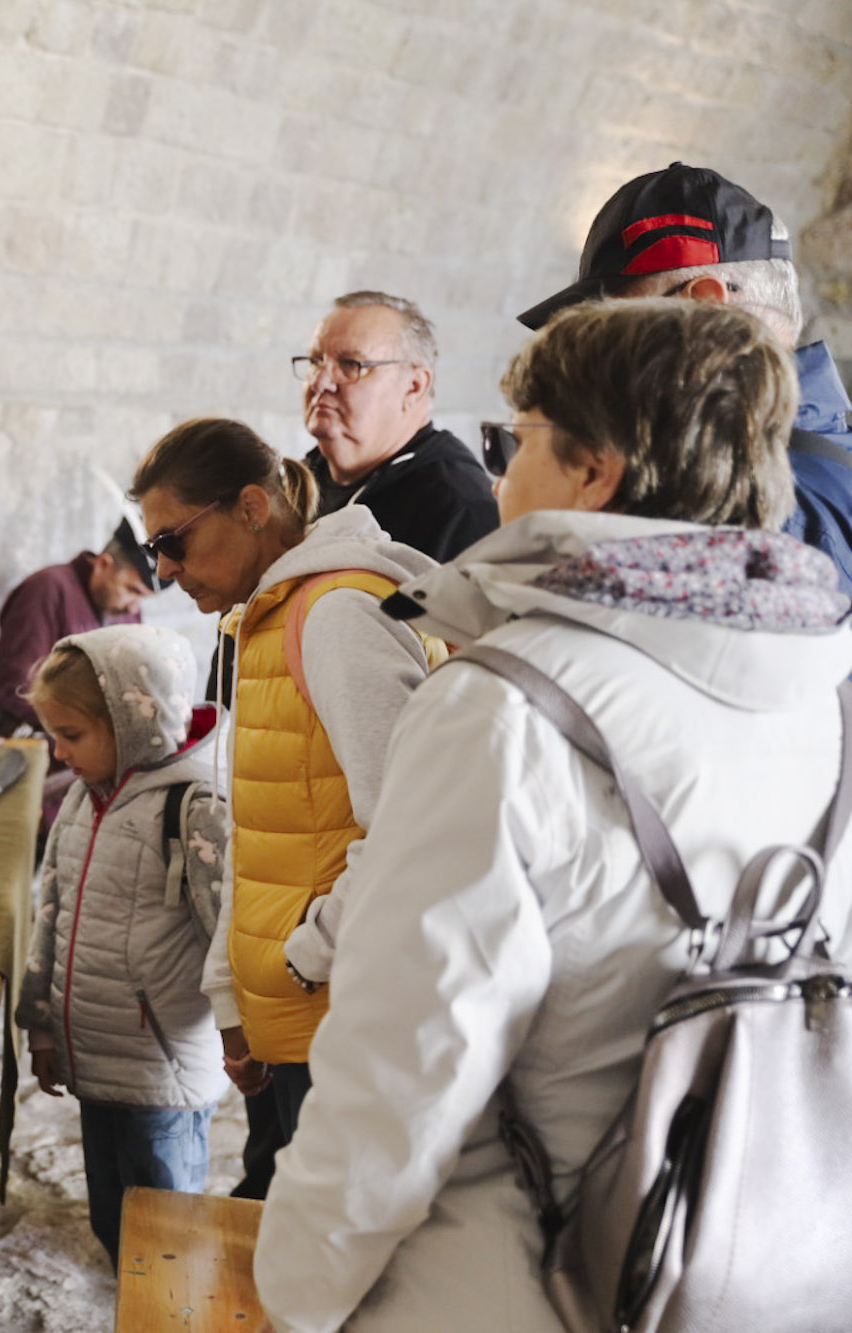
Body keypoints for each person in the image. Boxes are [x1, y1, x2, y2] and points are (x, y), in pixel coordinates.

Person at [255, 298, 852, 1331]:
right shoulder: (827, 694)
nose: (497, 477)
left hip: (509, 1282)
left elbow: (403, 1069)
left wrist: (296, 1291)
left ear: (594, 472)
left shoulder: (503, 707)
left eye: (517, 440)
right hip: (757, 1263)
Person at [127, 419, 439, 1178]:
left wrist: (305, 957)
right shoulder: (267, 617)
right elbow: (262, 825)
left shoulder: (338, 618)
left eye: (173, 541)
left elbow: (413, 829)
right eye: (152, 549)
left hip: (345, 1013)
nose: (165, 569)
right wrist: (234, 994)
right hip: (298, 1011)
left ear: (252, 507)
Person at [518, 161, 852, 593]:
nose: (601, 357)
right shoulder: (792, 461)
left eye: (616, 325)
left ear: (706, 308)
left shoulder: (760, 505)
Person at [13, 623, 225, 1266]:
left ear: (134, 723)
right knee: (114, 1219)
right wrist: (42, 1026)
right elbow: (49, 915)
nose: (59, 753)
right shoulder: (83, 801)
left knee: (168, 1232)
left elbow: (229, 935)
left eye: (72, 735)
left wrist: (244, 1035)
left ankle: (168, 1303)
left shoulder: (195, 806)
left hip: (162, 1069)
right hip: (94, 1056)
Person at [297, 291, 500, 562]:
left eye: (350, 364)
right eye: (315, 361)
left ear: (414, 386)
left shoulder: (461, 511)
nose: (320, 382)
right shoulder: (297, 484)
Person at [0, 519, 157, 734]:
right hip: (44, 739)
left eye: (143, 597)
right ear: (103, 564)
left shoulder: (129, 613)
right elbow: (16, 688)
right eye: (132, 590)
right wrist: (87, 731)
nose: (134, 608)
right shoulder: (47, 589)